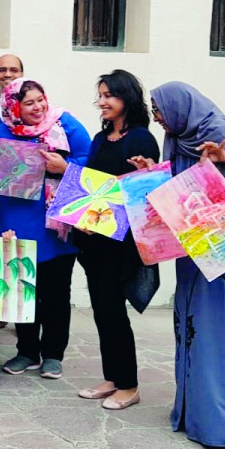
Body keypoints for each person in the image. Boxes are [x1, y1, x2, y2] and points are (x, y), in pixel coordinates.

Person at [143, 82, 225, 448]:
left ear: (180, 107)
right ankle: (196, 415)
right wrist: (152, 173)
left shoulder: (215, 131)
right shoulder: (177, 138)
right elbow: (180, 186)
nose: (156, 116)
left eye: (159, 109)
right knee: (197, 330)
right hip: (201, 248)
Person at [0, 78, 91, 380]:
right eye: (29, 103)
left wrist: (64, 166)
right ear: (14, 107)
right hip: (16, 220)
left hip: (56, 224)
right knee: (22, 289)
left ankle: (53, 354)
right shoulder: (2, 132)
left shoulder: (66, 124)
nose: (38, 107)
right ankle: (26, 351)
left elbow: (90, 159)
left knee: (57, 292)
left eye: (40, 100)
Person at [71, 70, 160, 410]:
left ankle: (129, 385)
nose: (102, 102)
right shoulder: (99, 138)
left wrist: (145, 172)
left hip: (120, 241)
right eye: (100, 95)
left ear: (126, 98)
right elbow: (91, 185)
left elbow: (142, 194)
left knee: (114, 313)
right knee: (102, 311)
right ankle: (113, 377)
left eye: (109, 95)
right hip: (93, 239)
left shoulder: (140, 139)